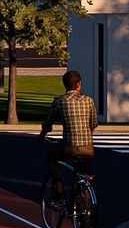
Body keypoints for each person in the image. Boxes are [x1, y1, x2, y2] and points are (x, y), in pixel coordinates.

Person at [40, 67, 96, 200]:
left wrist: (41, 136)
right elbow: (93, 124)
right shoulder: (89, 101)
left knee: (52, 159)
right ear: (78, 85)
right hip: (87, 147)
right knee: (85, 171)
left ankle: (59, 189)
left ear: (65, 85)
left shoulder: (60, 102)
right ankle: (86, 201)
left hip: (69, 146)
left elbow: (48, 123)